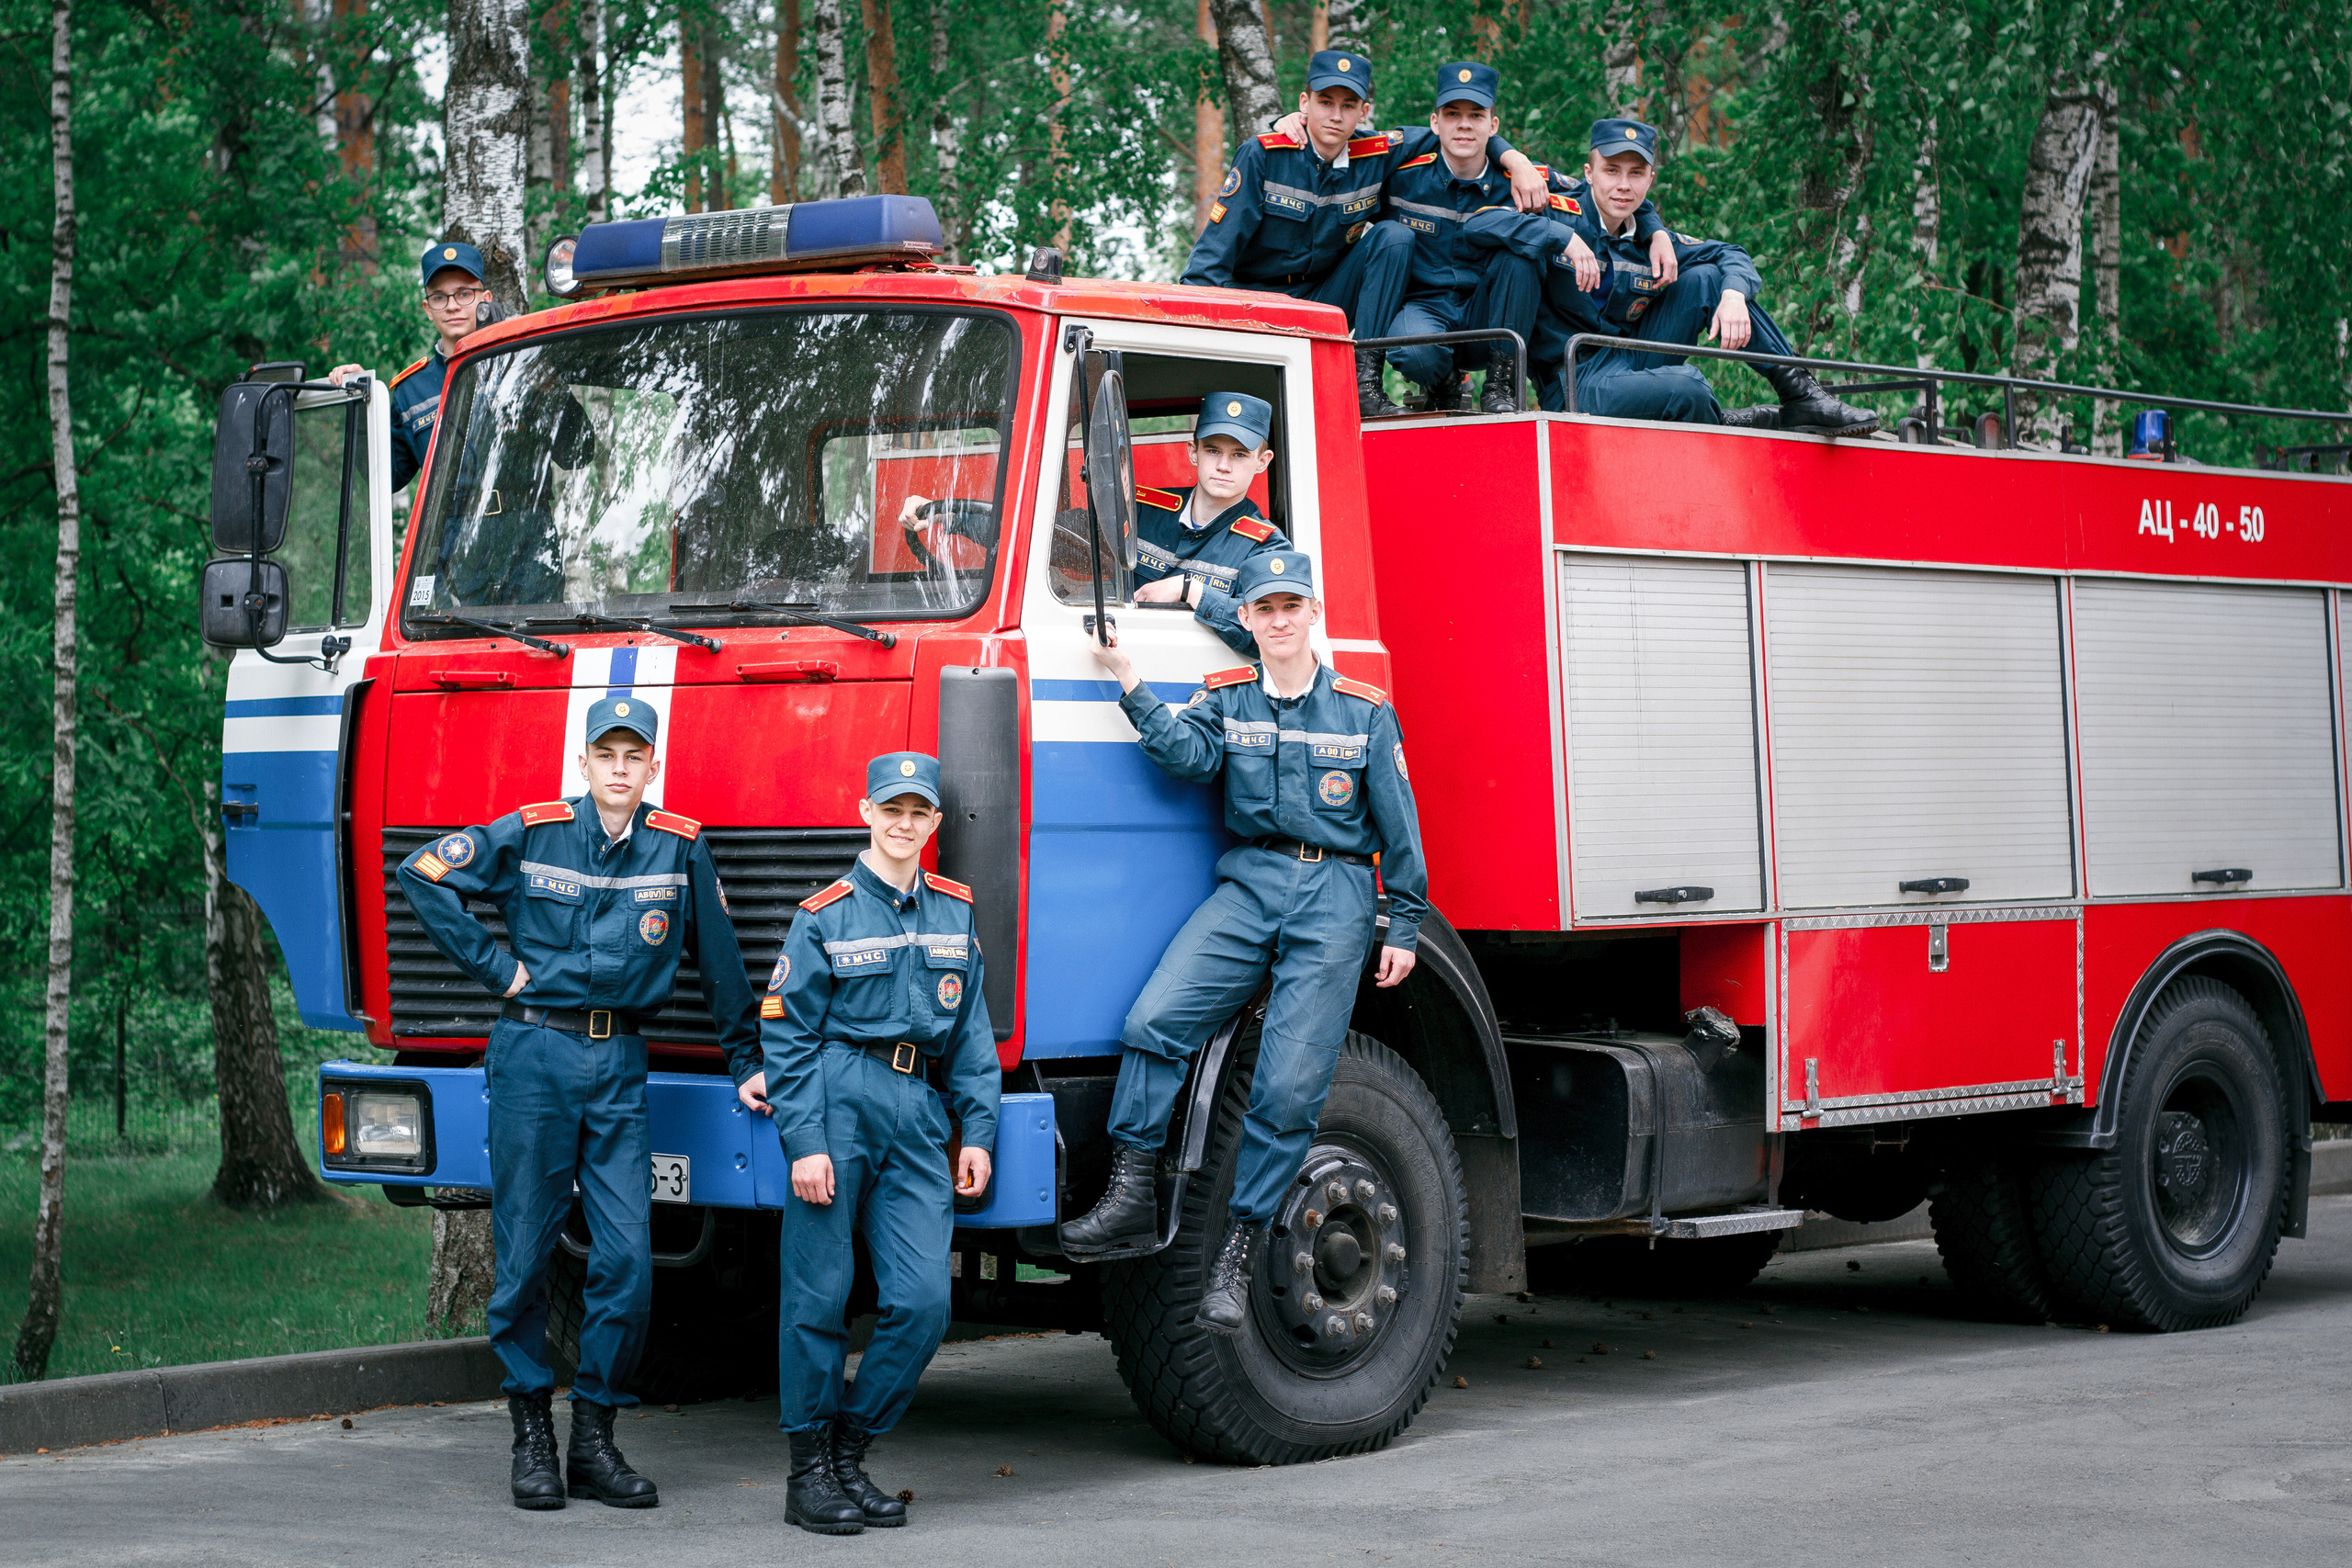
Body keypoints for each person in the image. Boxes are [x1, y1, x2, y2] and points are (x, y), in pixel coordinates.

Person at [395, 694, 760, 1512]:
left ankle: (594, 1438)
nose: (621, 768)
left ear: (652, 766)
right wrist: (497, 971)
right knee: (523, 1252)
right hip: (534, 1055)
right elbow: (422, 872)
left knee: (627, 1259)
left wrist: (746, 1061)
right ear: (585, 763)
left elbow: (722, 965)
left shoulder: (678, 848)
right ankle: (532, 1434)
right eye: (607, 754)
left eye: (635, 755)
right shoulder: (533, 831)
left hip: (619, 1061)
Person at [1058, 550, 1428, 1337]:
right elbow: (1186, 757)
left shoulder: (1363, 712)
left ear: (1313, 614)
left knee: (1287, 1090)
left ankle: (1237, 1249)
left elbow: (1400, 828)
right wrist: (1127, 677)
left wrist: (1407, 922)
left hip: (1335, 897)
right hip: (1253, 883)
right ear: (1250, 620)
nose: (1280, 619)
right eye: (1266, 608)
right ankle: (1130, 1191)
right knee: (1155, 1018)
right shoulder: (1227, 697)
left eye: (1293, 605)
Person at [741, 751, 999, 1535]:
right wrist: (806, 1139)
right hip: (837, 1098)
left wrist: (978, 1131)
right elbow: (784, 1034)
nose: (903, 822)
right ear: (866, 811)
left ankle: (849, 1452)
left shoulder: (955, 911)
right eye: (892, 808)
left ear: (934, 823)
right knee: (818, 1296)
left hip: (918, 1112)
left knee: (924, 1301)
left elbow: (973, 1038)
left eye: (918, 811)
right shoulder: (826, 913)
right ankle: (807, 1473)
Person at [1185, 50, 1550, 417]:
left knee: (1392, 236)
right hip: (1259, 297)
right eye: (1324, 102)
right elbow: (1213, 255)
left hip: (1327, 295)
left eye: (1349, 105)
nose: (1335, 115)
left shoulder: (1375, 153)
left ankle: (1365, 384)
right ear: (1304, 103)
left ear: (1363, 113)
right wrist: (1191, 334)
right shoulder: (1263, 155)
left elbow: (1463, 137)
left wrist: (1515, 159)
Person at [1465, 118, 1878, 433]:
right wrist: (1560, 239)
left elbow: (1732, 254)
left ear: (1650, 179)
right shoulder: (1557, 213)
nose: (1623, 186)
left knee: (1706, 279)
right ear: (1589, 173)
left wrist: (1733, 295)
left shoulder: (1652, 238)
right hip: (1576, 377)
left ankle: (1800, 392)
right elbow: (1478, 224)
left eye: (1636, 174)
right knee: (1689, 386)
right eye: (1611, 171)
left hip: (1631, 358)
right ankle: (1730, 420)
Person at [326, 239, 501, 491]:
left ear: (485, 299)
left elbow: (573, 455)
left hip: (528, 524)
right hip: (454, 530)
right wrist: (361, 405)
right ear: (428, 309)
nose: (452, 306)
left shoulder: (518, 364)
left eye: (464, 293)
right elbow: (387, 479)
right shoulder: (411, 391)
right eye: (440, 297)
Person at [1130, 391, 1291, 655]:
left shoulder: (1266, 547)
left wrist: (1190, 590)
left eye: (1239, 455)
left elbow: (1273, 633)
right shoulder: (1142, 510)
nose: (1223, 466)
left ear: (1262, 462)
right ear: (1193, 453)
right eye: (1213, 450)